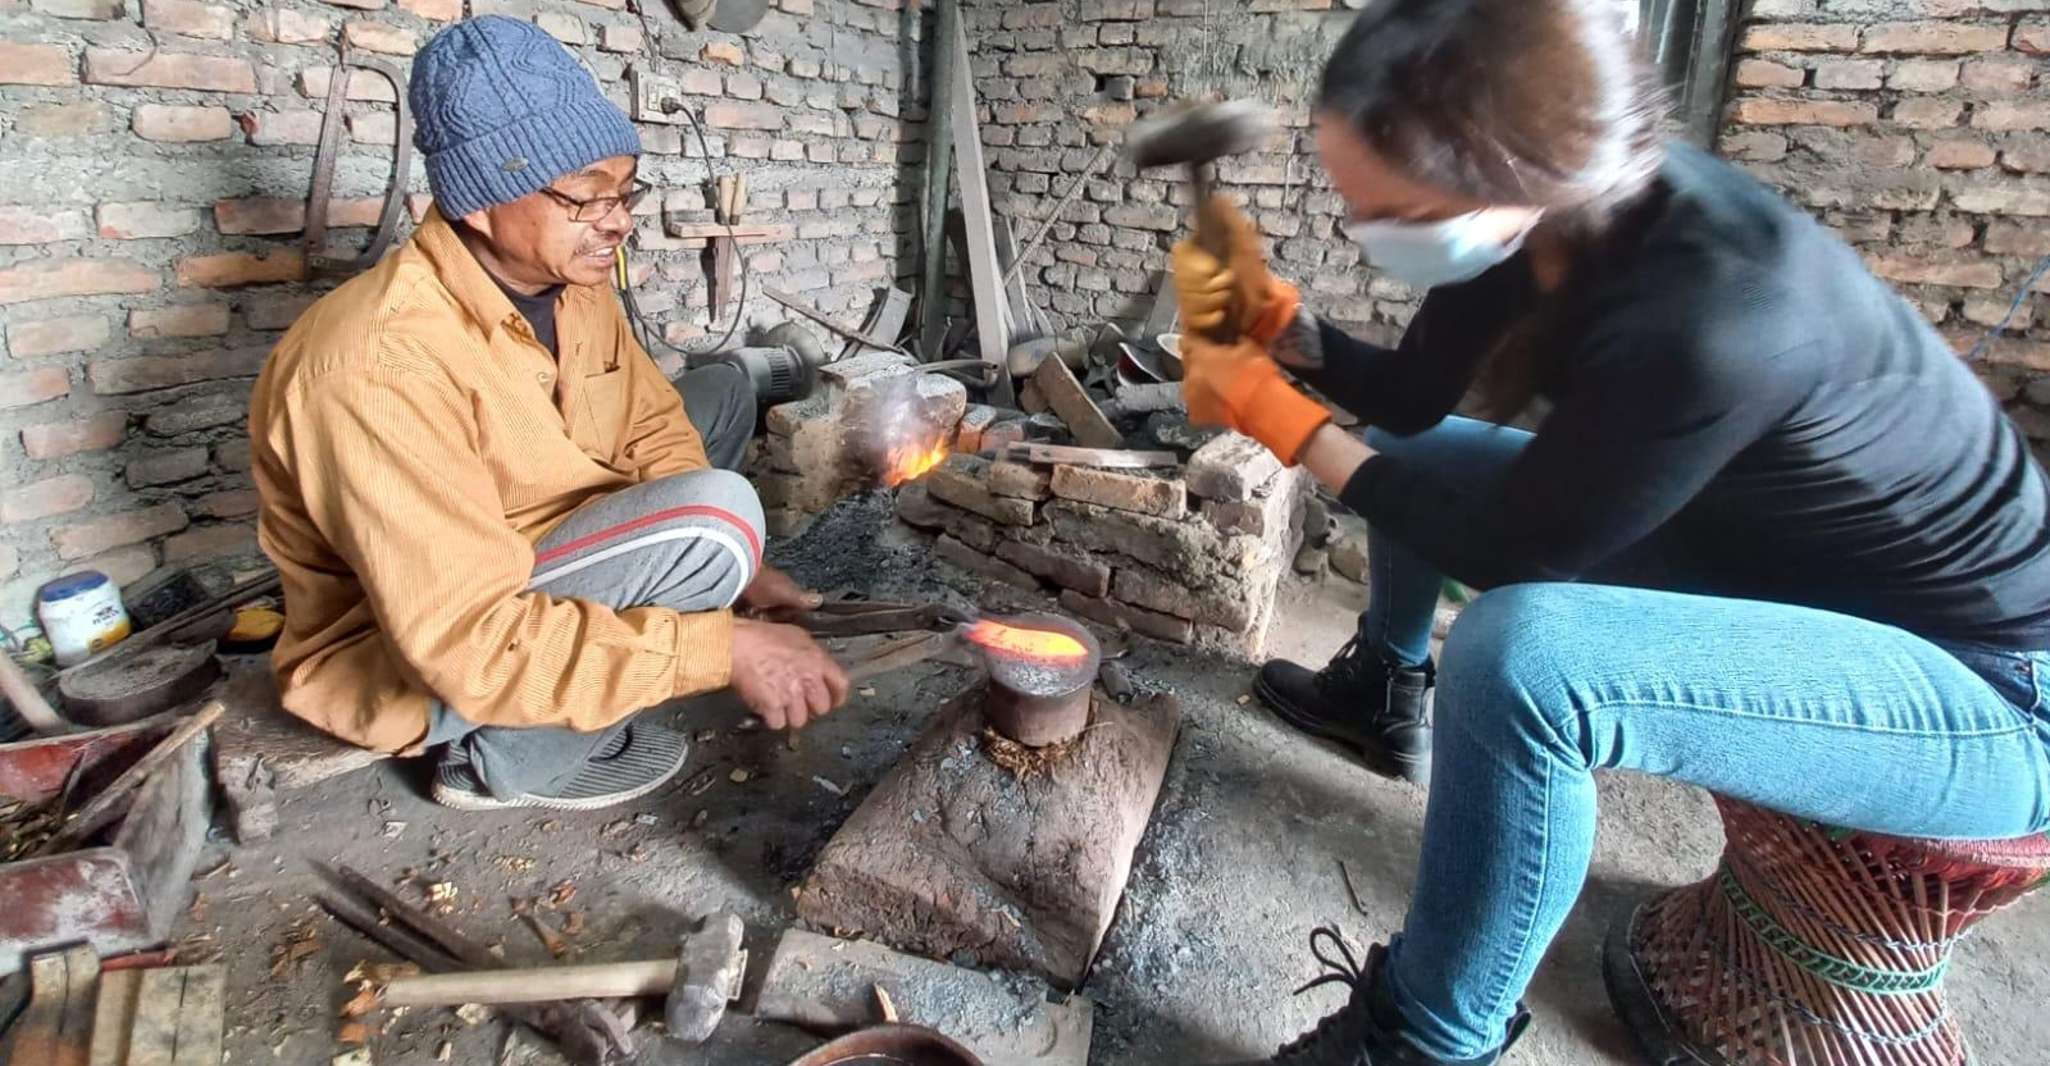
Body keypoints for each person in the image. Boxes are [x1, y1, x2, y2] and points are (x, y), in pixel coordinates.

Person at [1171, 1, 2050, 1063]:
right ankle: (1380, 693)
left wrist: (1277, 418)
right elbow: (1407, 399)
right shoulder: (1540, 218)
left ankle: (1428, 1034)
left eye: (1381, 207)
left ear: (1498, 176)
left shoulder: (1714, 309)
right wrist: (1282, 327)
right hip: (1772, 561)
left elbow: (1511, 559)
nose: (1362, 230)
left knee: (1523, 657)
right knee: (1437, 453)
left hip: (1983, 686)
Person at [250, 16, 848, 812]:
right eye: (586, 196)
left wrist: (743, 577)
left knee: (722, 395)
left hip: (545, 534)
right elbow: (469, 641)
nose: (620, 219)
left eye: (625, 190)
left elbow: (649, 423)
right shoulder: (372, 364)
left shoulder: (572, 286)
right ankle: (495, 764)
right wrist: (716, 646)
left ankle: (672, 587)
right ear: (479, 202)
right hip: (428, 645)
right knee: (718, 516)